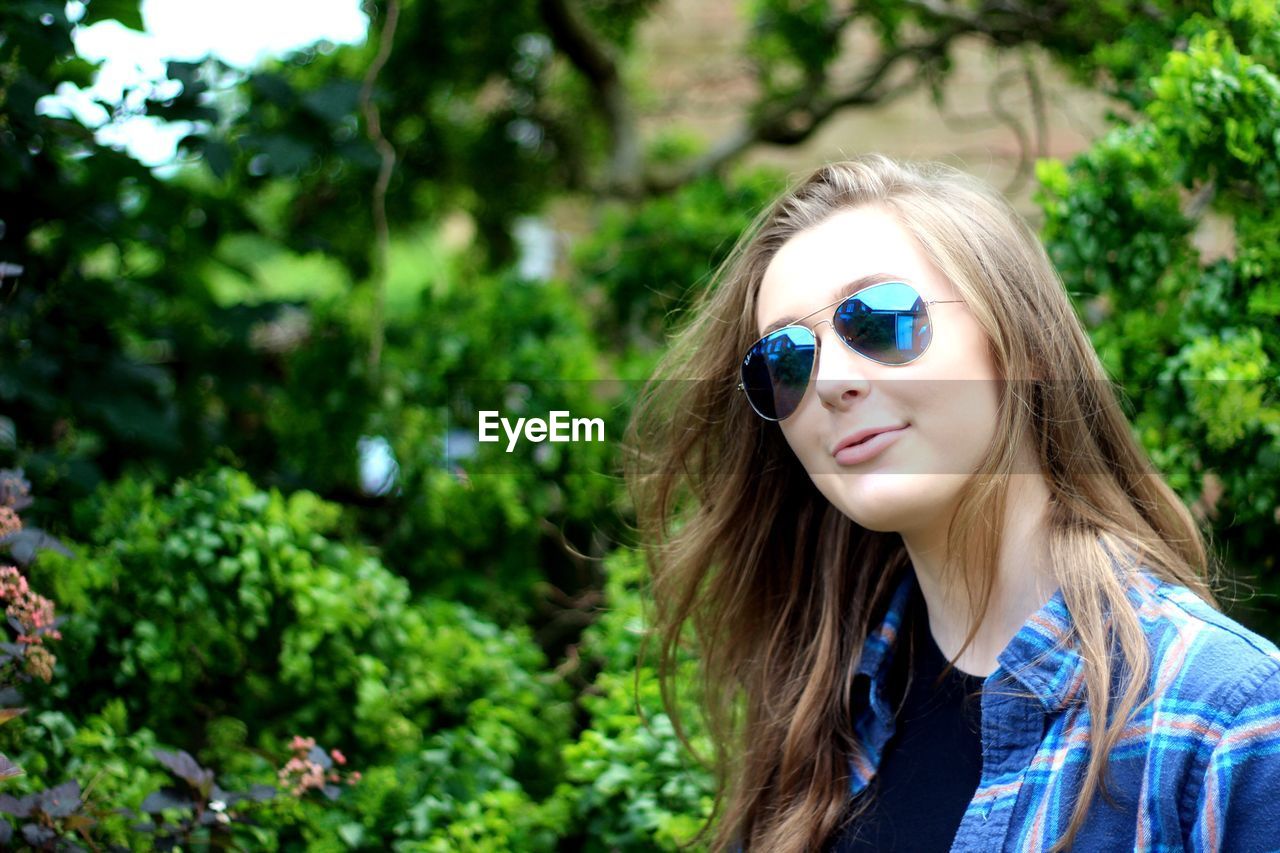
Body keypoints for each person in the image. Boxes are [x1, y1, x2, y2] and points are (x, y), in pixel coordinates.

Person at [625, 155, 1280, 852]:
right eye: (786, 360)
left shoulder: (1224, 721)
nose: (831, 381)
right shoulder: (816, 716)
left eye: (878, 319)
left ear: (1019, 341)